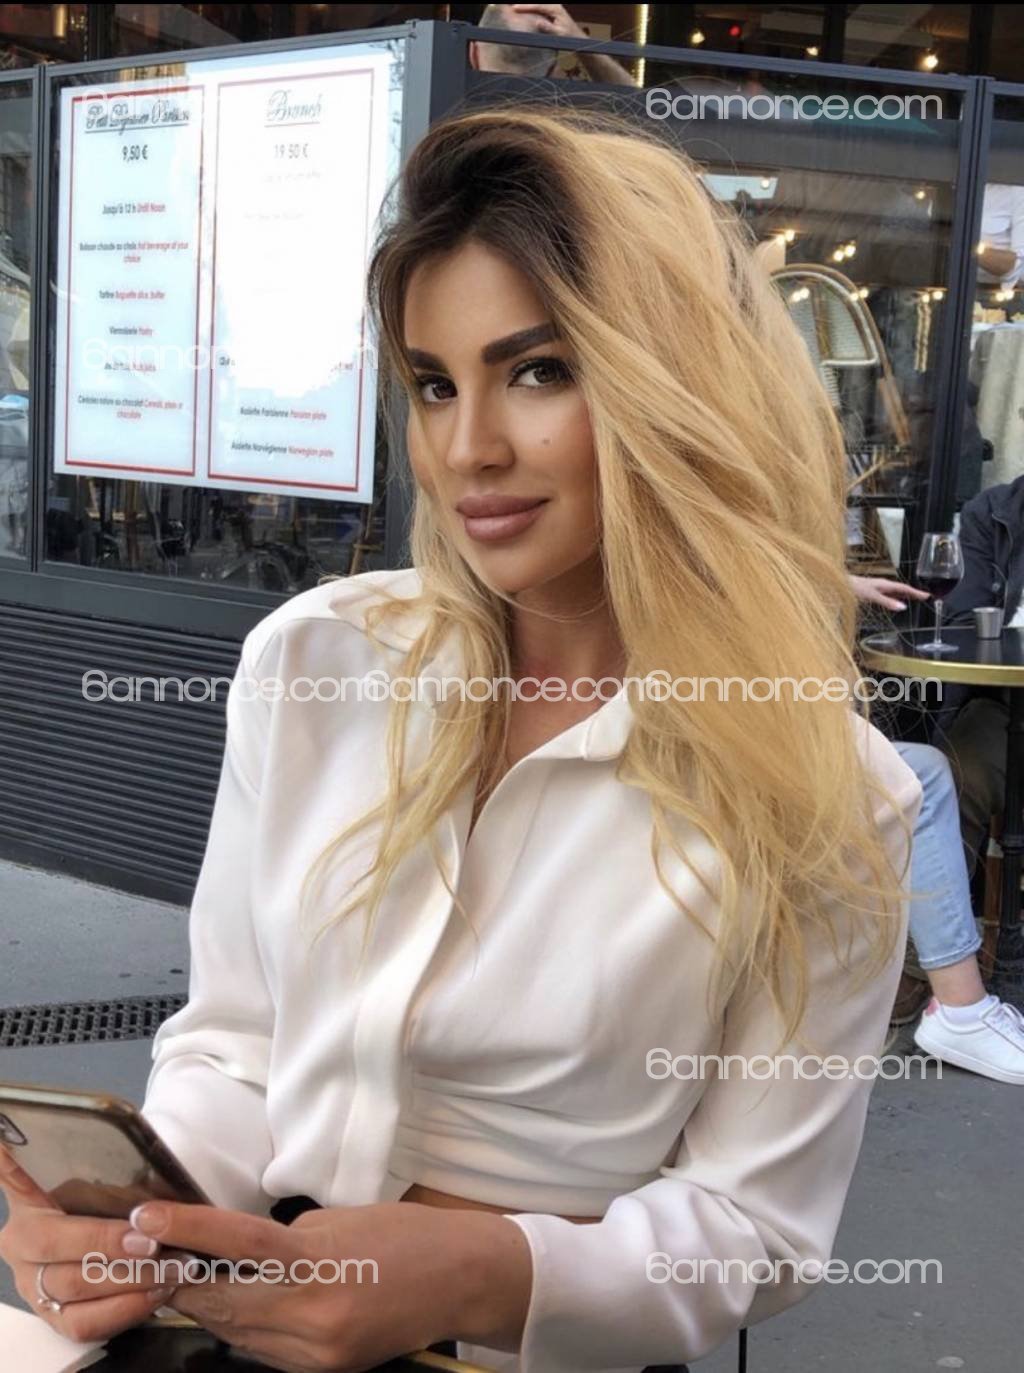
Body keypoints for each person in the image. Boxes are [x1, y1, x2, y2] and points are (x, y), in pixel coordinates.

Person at [0, 107, 921, 1373]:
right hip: (231, 1320)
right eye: (435, 383)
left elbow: (752, 1228)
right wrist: (138, 1214)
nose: (468, 447)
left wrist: (494, 1269)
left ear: (676, 388)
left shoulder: (825, 789)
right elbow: (237, 1042)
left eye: (538, 371)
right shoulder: (315, 663)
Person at [851, 576, 1024, 1082]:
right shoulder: (996, 521)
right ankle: (936, 982)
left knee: (922, 773)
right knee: (943, 774)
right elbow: (961, 616)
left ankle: (954, 997)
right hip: (1003, 708)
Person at [470, 3, 636, 85]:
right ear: (553, 67)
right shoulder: (574, 128)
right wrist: (580, 40)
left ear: (473, 54)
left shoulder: (456, 115)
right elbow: (639, 105)